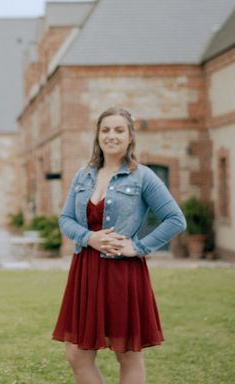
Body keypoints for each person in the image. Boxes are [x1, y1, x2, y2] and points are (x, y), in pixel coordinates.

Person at [52, 107, 186, 384]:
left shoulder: (143, 176)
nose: (111, 136)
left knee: (127, 354)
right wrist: (90, 237)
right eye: (105, 130)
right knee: (77, 355)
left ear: (130, 136)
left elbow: (175, 220)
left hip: (122, 274)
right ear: (98, 136)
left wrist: (137, 247)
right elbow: (65, 219)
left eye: (118, 130)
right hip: (85, 271)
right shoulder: (84, 175)